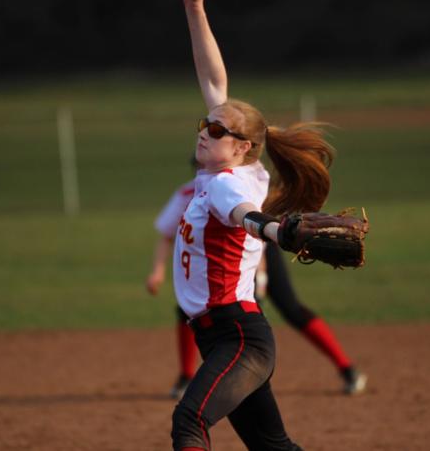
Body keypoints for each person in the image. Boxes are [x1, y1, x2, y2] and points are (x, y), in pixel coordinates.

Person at [169, 0, 340, 450]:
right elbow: (213, 80)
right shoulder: (231, 169)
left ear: (243, 146)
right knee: (273, 448)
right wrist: (196, 8)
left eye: (218, 131)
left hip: (238, 337)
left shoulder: (226, 186)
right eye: (204, 125)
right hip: (223, 338)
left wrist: (277, 232)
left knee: (189, 423)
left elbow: (244, 215)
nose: (206, 132)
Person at [147, 163, 367, 399]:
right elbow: (167, 234)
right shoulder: (188, 194)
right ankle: (186, 377)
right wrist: (157, 271)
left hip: (257, 248)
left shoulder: (236, 187)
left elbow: (255, 230)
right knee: (188, 310)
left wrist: (260, 277)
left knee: (290, 307)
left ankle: (347, 368)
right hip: (216, 259)